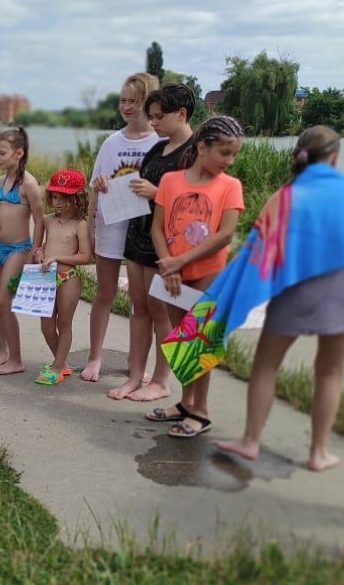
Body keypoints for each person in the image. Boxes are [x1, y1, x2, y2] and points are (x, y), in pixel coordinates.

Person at [213, 126, 344, 471]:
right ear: (335, 157)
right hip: (343, 292)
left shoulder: (285, 197)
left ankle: (251, 441)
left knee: (266, 364)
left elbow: (256, 252)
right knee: (330, 372)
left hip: (293, 291)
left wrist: (228, 293)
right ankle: (318, 453)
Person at [145, 116, 245, 438]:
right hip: (173, 271)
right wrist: (167, 264)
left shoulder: (230, 186)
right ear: (202, 147)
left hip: (207, 274)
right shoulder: (172, 181)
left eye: (234, 154)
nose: (229, 160)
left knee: (200, 341)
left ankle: (201, 411)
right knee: (181, 338)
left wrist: (179, 262)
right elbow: (157, 228)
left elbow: (225, 235)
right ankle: (186, 402)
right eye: (224, 152)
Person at [113, 83, 197, 402]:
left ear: (181, 113)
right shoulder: (156, 147)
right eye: (151, 117)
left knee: (161, 311)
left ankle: (161, 380)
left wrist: (157, 193)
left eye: (159, 117)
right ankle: (136, 375)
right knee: (139, 308)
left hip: (166, 244)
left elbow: (197, 202)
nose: (154, 123)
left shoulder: (193, 152)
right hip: (138, 234)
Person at [82, 72, 161, 383]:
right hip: (111, 223)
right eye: (123, 101)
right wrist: (90, 223)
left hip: (145, 229)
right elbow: (95, 186)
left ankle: (136, 359)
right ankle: (95, 356)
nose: (127, 107)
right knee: (105, 291)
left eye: (134, 101)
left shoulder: (161, 141)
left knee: (140, 301)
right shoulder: (111, 142)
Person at [0, 128, 45, 375]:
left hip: (18, 249)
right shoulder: (1, 181)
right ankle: (3, 351)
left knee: (4, 301)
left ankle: (17, 358)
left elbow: (40, 220)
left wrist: (36, 249)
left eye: (2, 153)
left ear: (18, 153)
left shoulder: (28, 184)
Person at [33, 169, 92, 385]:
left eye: (64, 198)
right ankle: (62, 362)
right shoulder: (48, 221)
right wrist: (39, 253)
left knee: (64, 323)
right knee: (46, 325)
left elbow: (85, 256)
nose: (58, 203)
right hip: (46, 277)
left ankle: (57, 367)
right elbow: (37, 247)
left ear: (76, 199)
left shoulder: (80, 225)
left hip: (69, 278)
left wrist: (56, 256)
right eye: (55, 197)